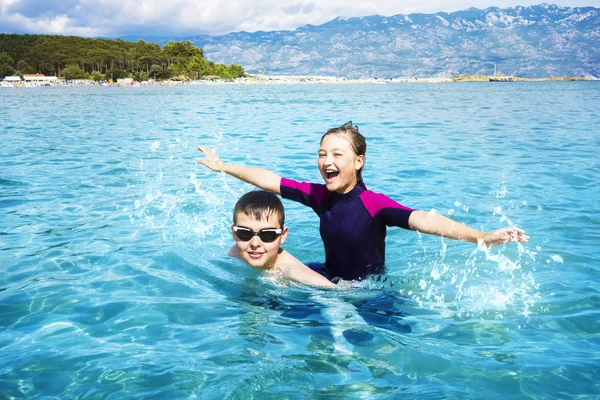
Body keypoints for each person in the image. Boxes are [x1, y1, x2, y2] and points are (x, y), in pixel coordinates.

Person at [198, 121, 529, 282]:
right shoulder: (319, 195)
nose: (327, 160)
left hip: (369, 293)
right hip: (329, 278)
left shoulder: (373, 203)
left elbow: (423, 219)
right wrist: (224, 166)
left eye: (337, 154)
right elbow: (270, 179)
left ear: (358, 161)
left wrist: (480, 237)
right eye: (322, 154)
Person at [230, 190, 336, 288]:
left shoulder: (295, 274)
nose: (255, 243)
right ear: (234, 233)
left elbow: (335, 294)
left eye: (267, 235)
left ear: (283, 235)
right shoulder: (235, 253)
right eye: (244, 233)